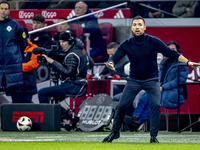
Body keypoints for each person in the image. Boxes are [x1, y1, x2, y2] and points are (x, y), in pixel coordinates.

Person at [102, 15, 200, 143]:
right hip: (134, 80)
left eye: (140, 25)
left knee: (155, 105)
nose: (137, 27)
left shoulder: (153, 41)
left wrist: (188, 62)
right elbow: (114, 57)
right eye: (135, 25)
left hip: (151, 80)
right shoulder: (127, 44)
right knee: (121, 105)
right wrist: (110, 62)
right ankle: (114, 133)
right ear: (132, 28)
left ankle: (153, 136)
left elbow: (172, 54)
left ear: (144, 27)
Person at [124, 41, 189, 131]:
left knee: (153, 100)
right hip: (161, 90)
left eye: (173, 49)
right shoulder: (164, 62)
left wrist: (163, 87)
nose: (171, 51)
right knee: (146, 95)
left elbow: (179, 81)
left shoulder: (182, 63)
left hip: (175, 92)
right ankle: (135, 118)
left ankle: (136, 122)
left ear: (178, 50)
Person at [38, 30, 92, 119]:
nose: (61, 44)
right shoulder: (81, 50)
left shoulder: (72, 54)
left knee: (42, 93)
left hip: (73, 85)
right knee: (52, 97)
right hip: (80, 84)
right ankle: (65, 115)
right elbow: (91, 63)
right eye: (60, 42)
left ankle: (53, 118)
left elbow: (67, 72)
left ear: (70, 41)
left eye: (63, 41)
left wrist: (52, 62)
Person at [0, 1, 28, 102]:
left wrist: (14, 54)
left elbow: (23, 42)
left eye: (6, 9)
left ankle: (16, 117)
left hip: (13, 65)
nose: (4, 11)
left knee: (15, 95)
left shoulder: (15, 25)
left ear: (9, 10)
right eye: (2, 9)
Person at [13, 27, 39, 103]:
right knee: (14, 107)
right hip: (14, 83)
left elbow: (33, 63)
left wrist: (18, 67)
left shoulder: (33, 48)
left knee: (26, 105)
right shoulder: (12, 48)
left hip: (28, 83)